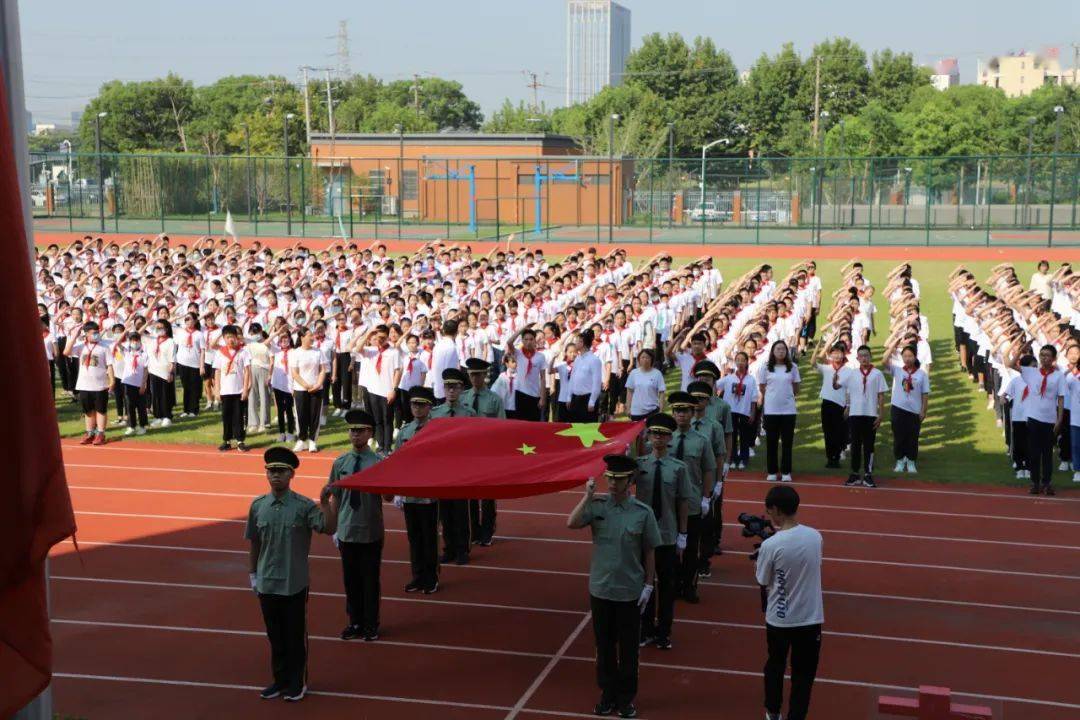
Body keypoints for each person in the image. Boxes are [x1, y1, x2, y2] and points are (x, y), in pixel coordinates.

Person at [567, 454, 661, 719]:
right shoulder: (597, 506)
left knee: (629, 649)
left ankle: (626, 698)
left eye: (618, 479)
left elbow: (650, 551)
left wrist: (648, 586)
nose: (612, 484)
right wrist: (586, 496)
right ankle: (607, 694)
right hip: (601, 588)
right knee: (604, 647)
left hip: (629, 591)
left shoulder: (643, 513)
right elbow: (571, 523)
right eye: (609, 478)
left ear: (630, 480)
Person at [246, 446, 339, 702]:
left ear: (291, 475)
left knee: (295, 637)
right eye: (271, 470)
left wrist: (326, 503)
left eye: (281, 471)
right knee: (275, 637)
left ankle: (297, 683)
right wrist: (253, 574)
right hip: (266, 583)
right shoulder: (258, 506)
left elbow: (329, 528)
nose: (275, 475)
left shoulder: (303, 507)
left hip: (293, 583)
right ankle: (280, 680)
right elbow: (255, 542)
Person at [756, 485, 824, 720]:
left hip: (780, 620)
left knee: (775, 666)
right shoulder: (815, 536)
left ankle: (772, 712)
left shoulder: (770, 545)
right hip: (810, 618)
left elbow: (762, 579)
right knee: (804, 674)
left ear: (776, 510)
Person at [634, 413, 689, 651]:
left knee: (667, 586)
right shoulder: (640, 464)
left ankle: (664, 631)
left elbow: (683, 502)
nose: (658, 438)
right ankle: (645, 629)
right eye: (654, 433)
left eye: (663, 434)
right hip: (644, 535)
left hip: (666, 534)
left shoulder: (679, 468)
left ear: (670, 438)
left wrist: (683, 535)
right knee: (646, 584)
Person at [330, 409, 386, 642]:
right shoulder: (341, 462)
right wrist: (334, 528)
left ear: (370, 433)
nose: (355, 434)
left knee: (370, 581)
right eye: (352, 430)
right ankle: (355, 622)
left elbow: (389, 497)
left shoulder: (378, 462)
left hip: (370, 529)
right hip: (347, 529)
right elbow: (335, 495)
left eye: (360, 431)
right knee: (351, 581)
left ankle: (371, 624)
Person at [666, 390, 716, 604]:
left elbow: (708, 470)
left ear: (692, 412)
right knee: (669, 546)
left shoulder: (701, 440)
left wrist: (706, 498)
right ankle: (673, 583)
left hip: (693, 501)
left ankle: (690, 585)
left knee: (690, 548)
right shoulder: (664, 438)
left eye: (685, 410)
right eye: (677, 410)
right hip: (668, 501)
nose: (681, 415)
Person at [394, 386, 441, 593]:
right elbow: (396, 461)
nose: (417, 408)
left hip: (429, 494)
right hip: (409, 495)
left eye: (421, 405)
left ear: (430, 407)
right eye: (414, 404)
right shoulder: (404, 432)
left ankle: (431, 577)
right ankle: (418, 575)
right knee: (414, 538)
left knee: (429, 538)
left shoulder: (436, 431)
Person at [430, 367, 477, 564]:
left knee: (461, 511)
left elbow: (474, 442)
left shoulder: (468, 413)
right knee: (444, 511)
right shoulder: (435, 413)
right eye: (448, 386)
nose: (451, 391)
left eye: (455, 387)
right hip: (441, 469)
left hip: (460, 469)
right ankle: (448, 547)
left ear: (461, 389)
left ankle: (462, 549)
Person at [461, 357, 505, 547]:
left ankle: (487, 530)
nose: (474, 378)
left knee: (487, 495)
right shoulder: (463, 398)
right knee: (469, 494)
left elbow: (502, 428)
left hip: (487, 452)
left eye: (478, 375)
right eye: (471, 375)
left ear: (485, 375)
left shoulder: (495, 399)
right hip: (468, 453)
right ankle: (473, 530)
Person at [687, 380, 728, 574]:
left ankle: (703, 561)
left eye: (701, 398)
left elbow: (719, 455)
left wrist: (718, 482)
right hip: (685, 480)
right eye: (693, 398)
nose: (696, 402)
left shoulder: (714, 427)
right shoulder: (680, 424)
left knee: (705, 523)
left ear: (707, 400)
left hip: (705, 481)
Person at [1018, 344, 1066, 495]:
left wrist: (1059, 420)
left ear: (1053, 358)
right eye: (1042, 355)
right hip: (1033, 417)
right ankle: (1035, 482)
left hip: (1049, 419)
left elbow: (1060, 399)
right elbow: (1010, 363)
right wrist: (1022, 348)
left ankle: (1047, 483)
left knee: (1047, 454)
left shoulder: (1058, 376)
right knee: (1034, 453)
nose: (1044, 358)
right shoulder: (1032, 373)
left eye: (1047, 355)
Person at [839, 345, 888, 488]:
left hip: (870, 414)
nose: (864, 358)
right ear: (857, 358)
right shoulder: (852, 374)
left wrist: (881, 414)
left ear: (870, 356)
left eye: (866, 355)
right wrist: (847, 407)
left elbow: (881, 395)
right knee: (855, 445)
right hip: (855, 414)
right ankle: (854, 473)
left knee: (869, 446)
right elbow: (846, 390)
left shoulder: (877, 374)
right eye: (861, 356)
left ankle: (868, 474)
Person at [756, 340, 801, 482]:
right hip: (771, 410)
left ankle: (786, 471)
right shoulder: (765, 367)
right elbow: (762, 387)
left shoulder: (793, 367)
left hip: (788, 410)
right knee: (772, 441)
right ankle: (772, 471)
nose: (781, 351)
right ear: (773, 351)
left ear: (786, 352)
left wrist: (787, 396)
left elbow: (796, 388)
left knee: (787, 442)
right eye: (778, 349)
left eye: (783, 349)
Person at [64, 321, 114, 445]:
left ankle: (101, 433)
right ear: (86, 334)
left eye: (97, 332)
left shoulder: (104, 347)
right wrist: (75, 336)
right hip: (84, 384)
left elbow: (109, 365)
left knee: (100, 410)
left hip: (100, 385)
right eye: (93, 333)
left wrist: (112, 380)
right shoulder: (81, 346)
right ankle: (90, 432)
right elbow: (66, 352)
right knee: (88, 411)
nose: (96, 334)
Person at [887, 344, 930, 474]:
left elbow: (925, 394)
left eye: (910, 356)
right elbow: (884, 361)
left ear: (915, 356)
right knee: (899, 436)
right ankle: (900, 460)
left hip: (914, 411)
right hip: (898, 408)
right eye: (905, 356)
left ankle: (911, 462)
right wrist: (893, 345)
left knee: (912, 437)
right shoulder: (898, 370)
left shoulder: (922, 374)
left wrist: (923, 410)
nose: (907, 358)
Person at [717, 351, 759, 470]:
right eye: (738, 360)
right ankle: (733, 458)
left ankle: (744, 459)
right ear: (735, 362)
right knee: (732, 436)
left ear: (747, 362)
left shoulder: (751, 379)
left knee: (744, 436)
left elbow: (753, 398)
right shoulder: (729, 378)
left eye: (743, 360)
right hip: (730, 411)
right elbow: (716, 385)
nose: (740, 362)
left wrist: (752, 412)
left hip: (744, 411)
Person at [289, 328, 328, 453]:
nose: (312, 337)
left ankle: (312, 441)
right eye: (309, 335)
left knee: (315, 415)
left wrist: (318, 384)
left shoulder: (318, 352)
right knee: (301, 415)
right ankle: (301, 440)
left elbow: (323, 370)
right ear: (302, 337)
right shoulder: (295, 353)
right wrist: (306, 385)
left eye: (312, 335)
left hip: (317, 388)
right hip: (301, 389)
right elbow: (294, 373)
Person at [214, 324, 251, 452]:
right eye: (228, 337)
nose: (230, 340)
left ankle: (240, 440)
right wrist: (217, 390)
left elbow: (247, 371)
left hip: (239, 390)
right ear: (224, 338)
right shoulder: (220, 353)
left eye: (233, 337)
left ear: (237, 338)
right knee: (226, 416)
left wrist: (245, 389)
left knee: (238, 416)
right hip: (225, 390)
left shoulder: (243, 352)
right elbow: (217, 372)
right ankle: (227, 440)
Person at [815, 342, 850, 470]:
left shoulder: (848, 371)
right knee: (828, 431)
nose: (836, 355)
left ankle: (838, 454)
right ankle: (831, 458)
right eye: (834, 353)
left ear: (844, 354)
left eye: (839, 353)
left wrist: (848, 406)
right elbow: (814, 361)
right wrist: (824, 345)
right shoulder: (827, 368)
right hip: (827, 403)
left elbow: (849, 390)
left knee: (839, 432)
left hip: (841, 404)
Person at [505, 325, 548, 421]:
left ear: (535, 341)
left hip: (535, 394)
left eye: (531, 339)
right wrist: (522, 329)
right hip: (520, 393)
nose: (528, 342)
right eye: (526, 339)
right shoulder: (518, 353)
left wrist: (543, 397)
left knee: (534, 424)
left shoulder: (540, 356)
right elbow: (509, 342)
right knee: (520, 423)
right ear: (522, 341)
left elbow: (543, 378)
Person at [565, 329, 603, 422]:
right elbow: (572, 378)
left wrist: (592, 401)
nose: (575, 343)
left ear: (582, 343)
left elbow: (596, 383)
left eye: (577, 341)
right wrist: (569, 397)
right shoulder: (578, 358)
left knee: (587, 431)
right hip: (575, 399)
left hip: (587, 399)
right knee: (574, 428)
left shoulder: (594, 360)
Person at [118, 331, 149, 436]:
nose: (134, 342)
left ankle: (143, 425)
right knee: (129, 405)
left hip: (139, 383)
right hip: (128, 382)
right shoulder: (127, 352)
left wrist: (143, 384)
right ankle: (131, 426)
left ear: (140, 341)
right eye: (132, 340)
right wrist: (124, 332)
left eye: (136, 340)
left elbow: (145, 370)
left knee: (141, 405)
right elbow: (117, 343)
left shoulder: (144, 354)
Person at [146, 319, 177, 427]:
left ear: (167, 329)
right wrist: (147, 324)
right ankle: (158, 416)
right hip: (154, 371)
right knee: (156, 396)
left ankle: (167, 416)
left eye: (161, 327)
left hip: (165, 372)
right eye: (157, 327)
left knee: (165, 395)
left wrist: (171, 373)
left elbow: (172, 360)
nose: (159, 330)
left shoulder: (170, 342)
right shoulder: (153, 341)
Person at [624, 349, 665, 421]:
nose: (645, 360)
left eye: (647, 357)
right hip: (636, 412)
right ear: (639, 359)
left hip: (652, 411)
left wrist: (661, 410)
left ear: (651, 359)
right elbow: (629, 391)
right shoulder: (634, 373)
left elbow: (661, 392)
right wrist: (628, 408)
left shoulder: (657, 373)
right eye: (642, 357)